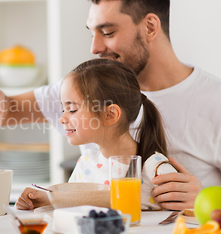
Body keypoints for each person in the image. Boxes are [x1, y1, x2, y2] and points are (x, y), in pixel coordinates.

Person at [0, 0, 221, 211]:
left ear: (150, 26)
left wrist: (207, 198)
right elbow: (8, 109)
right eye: (91, 33)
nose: (94, 47)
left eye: (107, 32)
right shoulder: (85, 91)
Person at [15, 59, 178, 210]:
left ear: (110, 115)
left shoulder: (155, 168)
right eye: (63, 109)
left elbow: (181, 216)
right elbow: (71, 208)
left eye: (72, 109)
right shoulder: (86, 163)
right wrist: (42, 199)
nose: (62, 118)